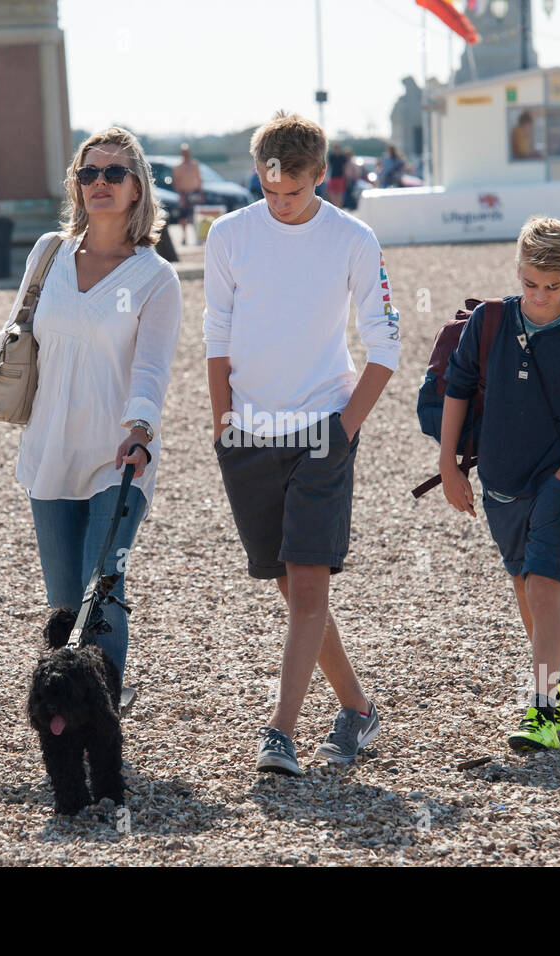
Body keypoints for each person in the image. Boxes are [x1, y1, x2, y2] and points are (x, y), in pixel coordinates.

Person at [0, 127, 182, 681]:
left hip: (118, 458)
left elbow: (151, 369)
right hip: (49, 451)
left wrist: (140, 430)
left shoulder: (156, 278)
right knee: (66, 601)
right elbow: (12, 343)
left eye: (114, 173)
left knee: (102, 585)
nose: (100, 183)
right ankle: (73, 703)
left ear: (137, 188)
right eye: (88, 173)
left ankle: (104, 706)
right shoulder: (49, 253)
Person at [204, 110, 400, 775]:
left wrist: (345, 430)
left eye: (293, 191)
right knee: (292, 589)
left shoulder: (354, 238)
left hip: (323, 430)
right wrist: (222, 423)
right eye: (269, 190)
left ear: (323, 176)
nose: (280, 203)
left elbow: (387, 343)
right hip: (247, 439)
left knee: (309, 585)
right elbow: (216, 336)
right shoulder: (228, 234)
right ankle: (358, 708)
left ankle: (279, 733)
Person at [438, 216, 560, 752]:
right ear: (517, 270)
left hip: (555, 478)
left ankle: (544, 709)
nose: (540, 296)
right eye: (530, 283)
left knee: (544, 584)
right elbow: (457, 385)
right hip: (498, 477)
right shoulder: (490, 320)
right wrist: (450, 464)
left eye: (553, 286)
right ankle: (557, 679)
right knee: (522, 582)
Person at [172, 143, 205, 245]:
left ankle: (197, 237)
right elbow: (176, 182)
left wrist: (200, 193)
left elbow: (199, 179)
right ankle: (185, 236)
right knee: (183, 216)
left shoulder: (194, 165)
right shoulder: (178, 166)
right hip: (183, 194)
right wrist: (181, 195)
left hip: (194, 192)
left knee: (195, 215)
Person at [326, 142, 347, 207]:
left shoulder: (343, 157)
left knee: (340, 194)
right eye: (335, 148)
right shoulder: (331, 157)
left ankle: (339, 207)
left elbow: (345, 168)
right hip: (333, 177)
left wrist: (345, 178)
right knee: (332, 193)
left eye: (337, 148)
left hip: (340, 177)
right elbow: (328, 166)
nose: (336, 150)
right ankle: (334, 206)